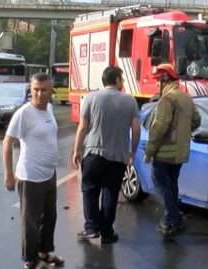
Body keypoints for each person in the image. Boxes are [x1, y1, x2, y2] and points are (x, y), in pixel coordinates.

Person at [72, 66, 140, 244]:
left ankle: (91, 228)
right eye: (122, 79)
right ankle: (107, 232)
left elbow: (82, 127)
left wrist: (77, 150)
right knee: (111, 192)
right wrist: (132, 151)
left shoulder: (90, 98)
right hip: (118, 157)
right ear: (116, 79)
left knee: (90, 189)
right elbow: (136, 128)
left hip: (94, 153)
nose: (123, 82)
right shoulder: (130, 101)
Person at [3, 73, 62, 269]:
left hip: (49, 173)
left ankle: (44, 253)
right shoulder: (24, 113)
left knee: (50, 216)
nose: (38, 93)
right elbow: (7, 142)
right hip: (30, 175)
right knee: (31, 220)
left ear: (51, 91)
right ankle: (30, 260)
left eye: (43, 90)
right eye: (35, 89)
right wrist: (9, 174)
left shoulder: (50, 110)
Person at [144, 63, 201, 240]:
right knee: (172, 184)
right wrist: (184, 131)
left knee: (159, 184)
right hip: (180, 153)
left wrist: (149, 151)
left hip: (164, 154)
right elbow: (197, 121)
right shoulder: (186, 98)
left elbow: (159, 128)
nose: (157, 85)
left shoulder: (167, 100)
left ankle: (172, 217)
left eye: (158, 81)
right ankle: (173, 220)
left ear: (165, 80)